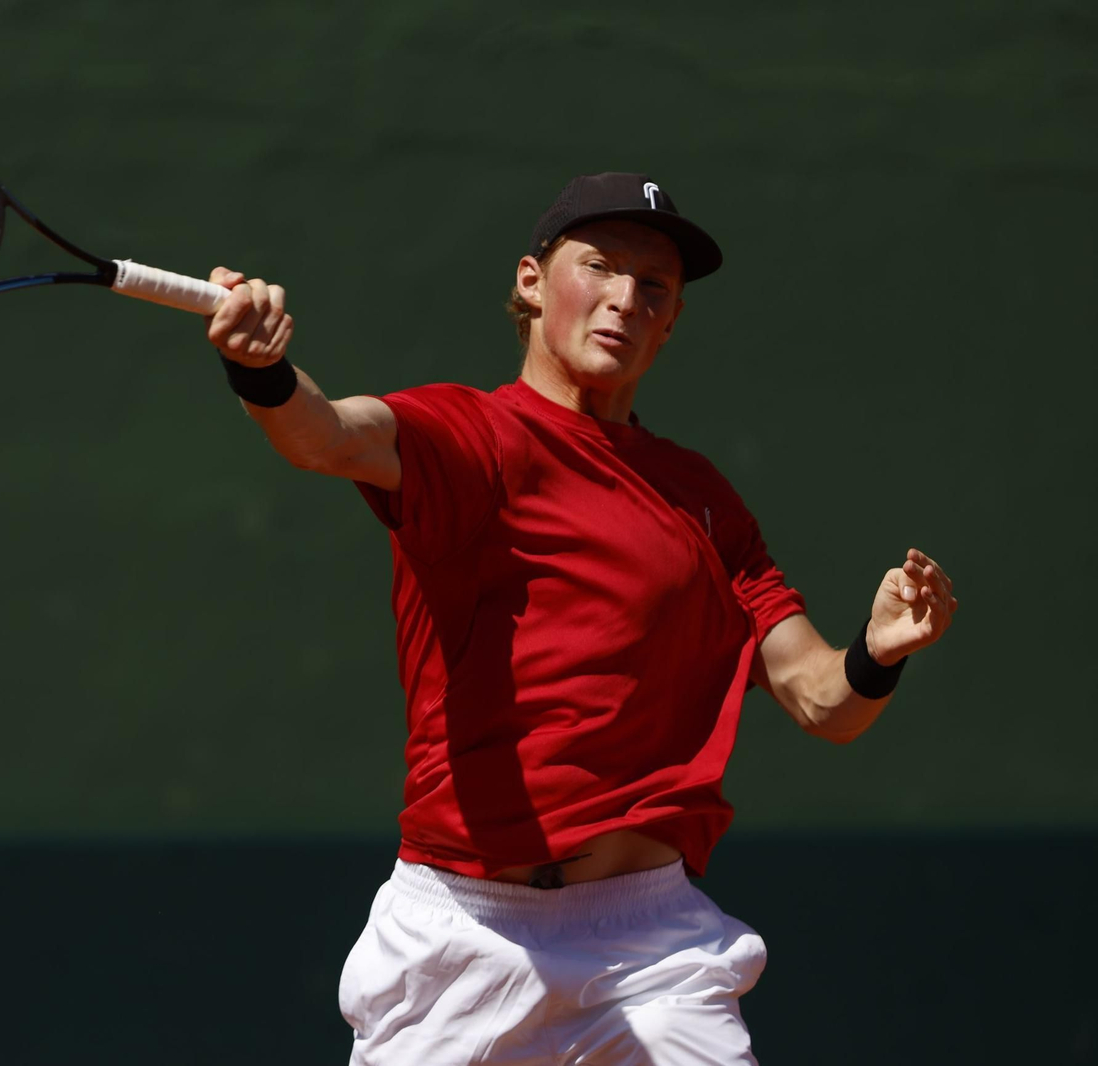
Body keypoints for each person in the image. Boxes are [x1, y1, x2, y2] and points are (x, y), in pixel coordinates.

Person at [202, 172, 958, 1066]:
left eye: (654, 285)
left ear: (670, 322)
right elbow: (327, 434)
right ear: (531, 282)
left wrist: (877, 651)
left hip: (651, 949)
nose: (626, 298)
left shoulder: (705, 503)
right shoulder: (470, 436)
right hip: (466, 935)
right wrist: (261, 369)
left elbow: (823, 701)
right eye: (600, 266)